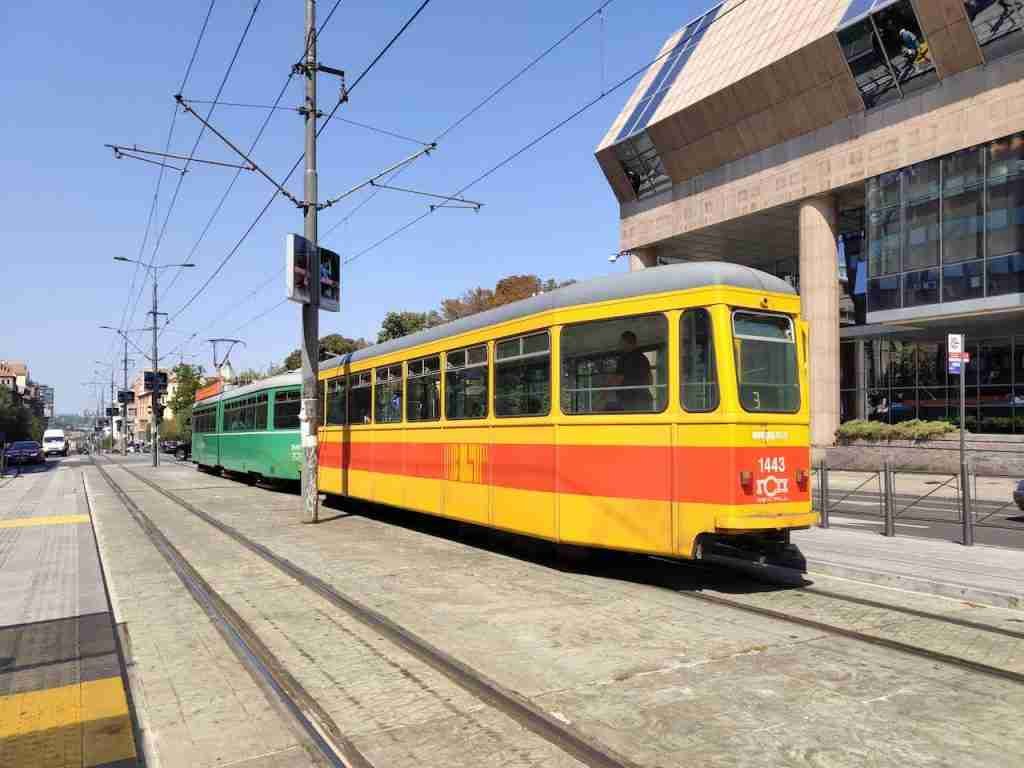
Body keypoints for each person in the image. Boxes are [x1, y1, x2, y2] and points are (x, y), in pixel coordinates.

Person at [614, 331, 653, 411]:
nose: (620, 345)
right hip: (645, 399)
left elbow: (618, 379)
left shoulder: (623, 359)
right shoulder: (644, 358)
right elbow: (650, 381)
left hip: (629, 401)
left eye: (621, 342)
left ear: (625, 342)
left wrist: (603, 393)